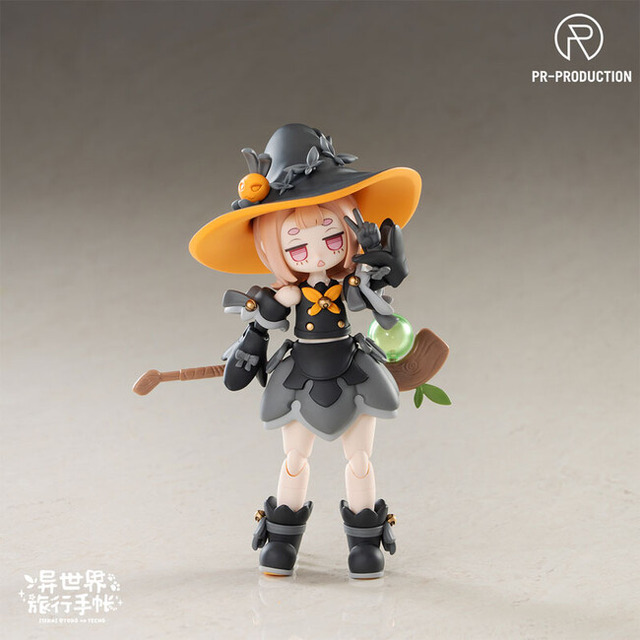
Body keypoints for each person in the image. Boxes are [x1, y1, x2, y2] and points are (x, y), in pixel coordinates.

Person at [189, 124, 422, 579]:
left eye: (332, 238)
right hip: (300, 373)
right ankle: (280, 540)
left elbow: (379, 309)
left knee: (360, 459)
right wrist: (260, 324)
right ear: (273, 248)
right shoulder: (284, 294)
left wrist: (378, 269)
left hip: (351, 368)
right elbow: (262, 329)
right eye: (295, 244)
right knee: (295, 459)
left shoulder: (350, 282)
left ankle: (365, 543)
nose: (316, 252)